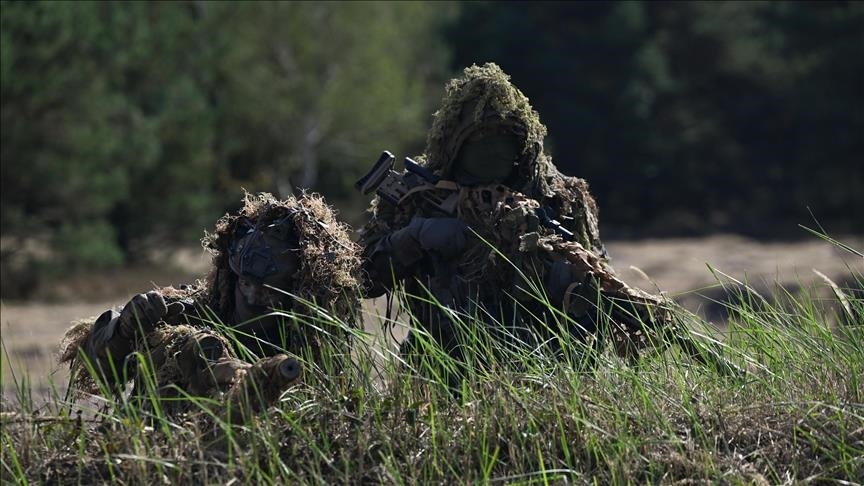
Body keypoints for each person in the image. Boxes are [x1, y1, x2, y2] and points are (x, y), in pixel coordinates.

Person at [359, 63, 729, 380]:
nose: (491, 149)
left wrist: (548, 265)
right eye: (480, 138)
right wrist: (415, 237)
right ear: (455, 144)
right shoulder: (416, 195)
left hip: (544, 369)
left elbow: (599, 280)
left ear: (523, 147)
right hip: (441, 368)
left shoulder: (559, 197)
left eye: (503, 138)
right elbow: (364, 281)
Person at [61, 192, 362, 413]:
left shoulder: (313, 342)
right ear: (231, 277)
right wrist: (126, 328)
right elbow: (96, 366)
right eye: (245, 283)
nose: (254, 297)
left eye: (269, 289)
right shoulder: (189, 311)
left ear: (299, 290)